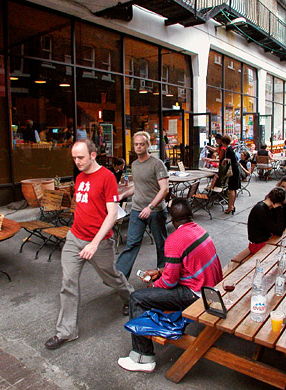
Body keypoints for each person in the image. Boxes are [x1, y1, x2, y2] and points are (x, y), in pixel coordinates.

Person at [45, 139, 134, 350]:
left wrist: (93, 243)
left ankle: (131, 297)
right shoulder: (79, 177)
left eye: (81, 157)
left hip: (100, 242)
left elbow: (112, 213)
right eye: (74, 158)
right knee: (68, 281)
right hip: (75, 239)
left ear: (93, 155)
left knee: (110, 277)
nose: (77, 162)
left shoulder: (107, 177)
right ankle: (66, 332)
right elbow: (83, 207)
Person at [117, 198, 223, 373]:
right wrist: (160, 271)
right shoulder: (200, 230)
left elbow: (169, 282)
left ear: (171, 219)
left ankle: (143, 357)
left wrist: (154, 285)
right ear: (190, 215)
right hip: (210, 288)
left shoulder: (174, 239)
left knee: (137, 298)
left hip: (196, 294)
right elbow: (184, 265)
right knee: (150, 291)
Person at [116, 132, 169, 283]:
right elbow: (138, 187)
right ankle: (119, 277)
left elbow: (164, 189)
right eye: (136, 144)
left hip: (155, 211)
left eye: (142, 144)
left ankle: (163, 275)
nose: (138, 147)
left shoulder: (157, 163)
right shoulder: (134, 164)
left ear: (148, 146)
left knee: (161, 244)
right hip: (137, 210)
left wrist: (151, 207)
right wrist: (123, 194)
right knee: (131, 243)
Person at [231, 187, 286, 262]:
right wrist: (278, 209)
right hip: (258, 245)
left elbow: (281, 226)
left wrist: (279, 209)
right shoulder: (261, 209)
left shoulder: (266, 207)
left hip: (264, 241)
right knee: (280, 256)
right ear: (276, 203)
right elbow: (279, 231)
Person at [221, 135, 240, 214]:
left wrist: (224, 160)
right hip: (235, 170)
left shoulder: (228, 150)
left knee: (231, 189)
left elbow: (230, 159)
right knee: (234, 189)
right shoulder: (231, 148)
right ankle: (232, 205)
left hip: (232, 171)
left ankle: (230, 207)